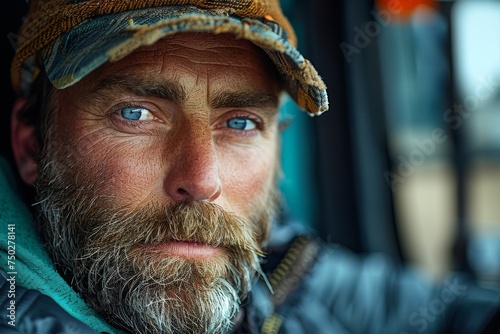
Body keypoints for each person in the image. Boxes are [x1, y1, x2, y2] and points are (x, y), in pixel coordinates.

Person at [1, 0, 499, 333]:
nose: (202, 181)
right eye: (136, 114)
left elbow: (438, 312)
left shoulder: (280, 264)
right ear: (30, 145)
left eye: (239, 123)